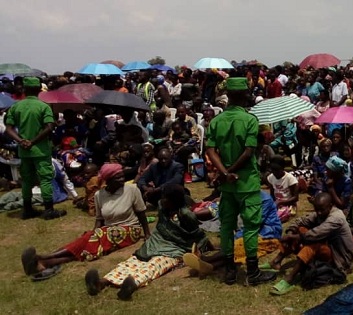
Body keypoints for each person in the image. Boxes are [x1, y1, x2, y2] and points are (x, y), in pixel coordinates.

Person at [20, 164, 150, 281]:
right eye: (118, 177)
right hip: (107, 229)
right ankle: (45, 263)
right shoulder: (99, 195)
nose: (122, 180)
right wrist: (92, 233)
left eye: (122, 176)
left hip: (129, 229)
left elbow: (141, 213)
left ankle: (44, 257)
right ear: (108, 180)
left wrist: (147, 234)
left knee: (96, 237)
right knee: (88, 239)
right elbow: (99, 219)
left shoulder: (132, 190)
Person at [205, 77, 276, 286]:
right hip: (246, 182)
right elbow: (248, 151)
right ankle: (252, 273)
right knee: (251, 227)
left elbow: (210, 149)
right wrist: (230, 171)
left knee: (226, 227)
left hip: (227, 185)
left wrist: (223, 173)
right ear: (244, 95)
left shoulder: (217, 121)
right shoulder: (250, 120)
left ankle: (229, 271)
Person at [83, 184, 208, 300]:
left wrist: (202, 248)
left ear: (175, 201)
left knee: (154, 265)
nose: (162, 200)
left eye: (166, 198)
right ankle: (101, 283)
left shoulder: (186, 215)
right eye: (163, 197)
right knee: (133, 261)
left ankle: (132, 284)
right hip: (155, 243)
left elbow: (196, 234)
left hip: (174, 249)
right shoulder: (162, 207)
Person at [268, 193, 353, 295]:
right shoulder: (321, 212)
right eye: (316, 209)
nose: (319, 213)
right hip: (328, 247)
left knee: (312, 245)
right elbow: (300, 221)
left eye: (321, 210)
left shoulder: (336, 218)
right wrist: (291, 232)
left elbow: (315, 234)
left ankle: (289, 278)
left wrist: (292, 237)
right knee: (300, 230)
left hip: (339, 258)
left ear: (330, 206)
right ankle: (277, 261)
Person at [4, 77, 64, 220]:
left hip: (24, 150)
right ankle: (49, 210)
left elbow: (8, 129)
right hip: (40, 149)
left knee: (26, 180)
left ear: (24, 89)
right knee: (45, 179)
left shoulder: (15, 107)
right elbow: (50, 127)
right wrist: (33, 141)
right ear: (39, 90)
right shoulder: (44, 106)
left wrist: (21, 141)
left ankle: (27, 209)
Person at [267, 155, 299, 221]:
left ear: (282, 168)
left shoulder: (290, 178)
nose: (274, 173)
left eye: (277, 170)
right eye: (273, 170)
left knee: (277, 216)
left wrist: (280, 202)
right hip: (276, 203)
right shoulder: (271, 177)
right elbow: (272, 194)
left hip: (288, 203)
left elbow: (295, 198)